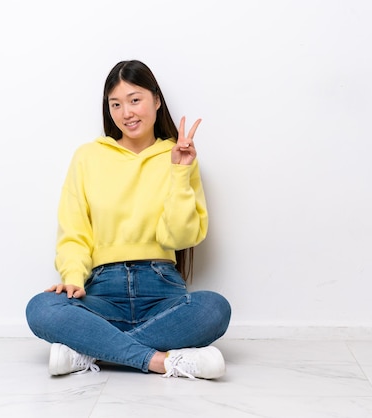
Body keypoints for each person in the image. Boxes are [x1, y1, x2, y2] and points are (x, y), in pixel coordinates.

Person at [26, 60, 231, 379]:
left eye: (135, 100)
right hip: (101, 291)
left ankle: (90, 351)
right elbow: (74, 232)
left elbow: (181, 238)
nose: (126, 113)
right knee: (40, 308)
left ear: (156, 100)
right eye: (116, 104)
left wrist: (179, 171)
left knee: (215, 309)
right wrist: (73, 279)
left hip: (161, 290)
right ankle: (164, 361)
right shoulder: (88, 157)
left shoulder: (178, 154)